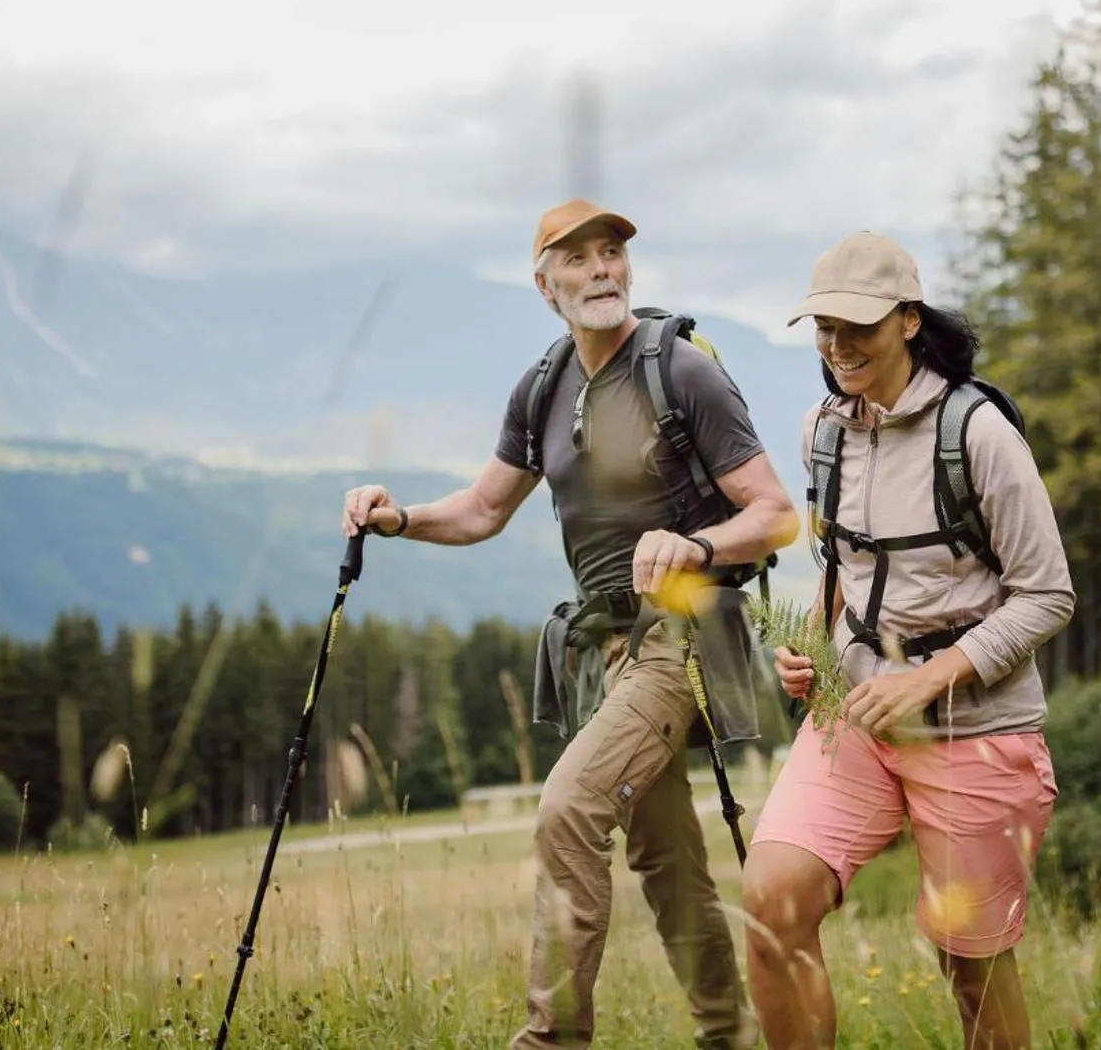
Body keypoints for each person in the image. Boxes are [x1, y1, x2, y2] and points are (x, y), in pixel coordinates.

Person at [340, 198, 799, 1050]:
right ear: (546, 284)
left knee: (568, 808)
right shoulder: (544, 385)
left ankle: (552, 1041)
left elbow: (774, 514)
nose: (602, 270)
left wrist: (694, 544)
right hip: (600, 651)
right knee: (668, 860)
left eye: (613, 254)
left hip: (682, 637)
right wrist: (398, 517)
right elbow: (483, 509)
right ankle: (731, 1036)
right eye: (579, 258)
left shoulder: (681, 370)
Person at [741, 231, 1074, 1050]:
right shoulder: (824, 430)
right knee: (773, 896)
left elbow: (1049, 593)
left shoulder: (980, 434)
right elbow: (842, 567)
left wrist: (932, 679)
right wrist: (810, 650)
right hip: (855, 715)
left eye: (857, 323)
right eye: (823, 324)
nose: (837, 343)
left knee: (971, 965)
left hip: (977, 729)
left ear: (910, 320)